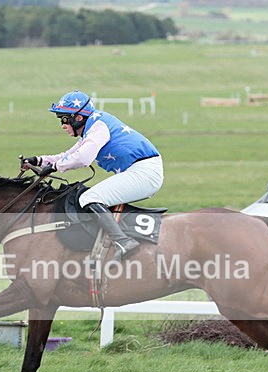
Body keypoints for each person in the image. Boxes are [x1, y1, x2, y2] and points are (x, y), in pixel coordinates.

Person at [21, 90, 164, 260]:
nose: (62, 125)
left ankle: (123, 242)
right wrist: (38, 161)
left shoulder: (98, 127)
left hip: (145, 172)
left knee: (89, 198)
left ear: (78, 117)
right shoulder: (92, 127)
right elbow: (68, 155)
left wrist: (54, 168)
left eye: (64, 119)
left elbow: (82, 158)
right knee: (93, 197)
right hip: (140, 170)